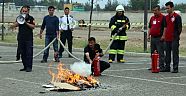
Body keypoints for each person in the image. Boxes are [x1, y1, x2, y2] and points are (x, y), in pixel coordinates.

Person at [11, 5, 35, 72]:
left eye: (25, 11)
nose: (24, 12)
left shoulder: (31, 18)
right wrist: (18, 22)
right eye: (23, 11)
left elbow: (33, 26)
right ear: (21, 11)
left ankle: (29, 67)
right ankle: (25, 66)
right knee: (22, 53)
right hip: (21, 38)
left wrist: (26, 23)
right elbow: (13, 26)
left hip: (29, 38)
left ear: (28, 11)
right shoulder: (19, 17)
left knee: (29, 53)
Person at [162, 1, 182, 73]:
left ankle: (175, 68)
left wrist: (176, 36)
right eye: (166, 8)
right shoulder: (166, 17)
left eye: (168, 8)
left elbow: (179, 28)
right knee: (167, 54)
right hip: (167, 39)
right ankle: (167, 67)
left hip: (174, 39)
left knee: (175, 54)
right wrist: (164, 36)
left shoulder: (177, 17)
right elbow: (165, 27)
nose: (167, 10)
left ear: (172, 8)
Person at [147, 5, 166, 71]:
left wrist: (163, 36)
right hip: (153, 38)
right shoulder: (152, 18)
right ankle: (153, 66)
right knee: (152, 53)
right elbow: (150, 27)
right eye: (153, 10)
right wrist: (148, 35)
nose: (154, 12)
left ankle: (161, 66)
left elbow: (165, 27)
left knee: (160, 53)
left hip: (159, 38)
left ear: (159, 10)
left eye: (155, 10)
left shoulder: (163, 17)